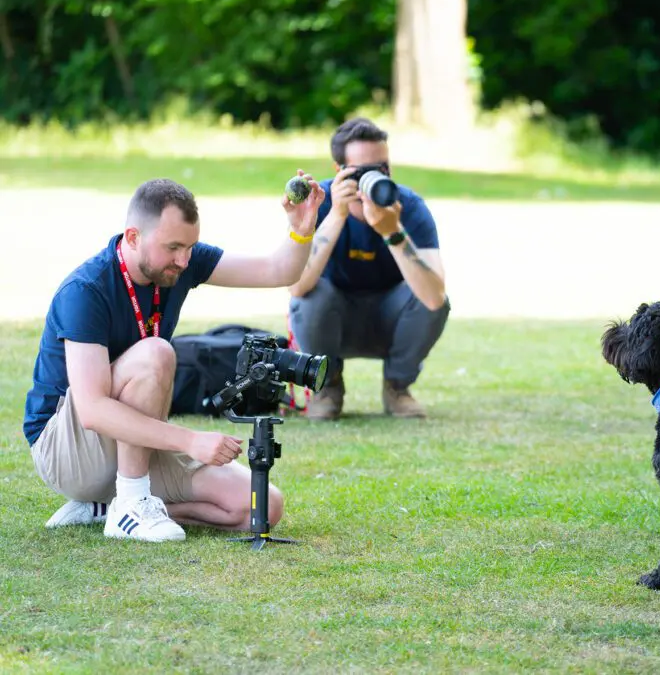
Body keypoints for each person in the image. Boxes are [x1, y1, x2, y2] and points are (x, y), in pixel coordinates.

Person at [24, 174, 325, 542]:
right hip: (69, 449)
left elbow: (277, 271)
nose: (184, 260)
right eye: (173, 248)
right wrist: (189, 440)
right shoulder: (86, 290)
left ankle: (106, 508)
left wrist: (301, 229)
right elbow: (92, 409)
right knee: (156, 353)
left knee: (261, 506)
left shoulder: (180, 262)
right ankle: (131, 502)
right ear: (133, 237)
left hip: (134, 441)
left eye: (190, 247)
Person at [288, 117, 450, 420]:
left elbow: (434, 298)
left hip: (391, 320)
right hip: (331, 318)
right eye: (365, 172)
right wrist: (337, 214)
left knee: (429, 290)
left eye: (383, 168)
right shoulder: (318, 202)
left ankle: (397, 388)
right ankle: (328, 386)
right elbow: (296, 287)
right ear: (340, 171)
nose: (376, 179)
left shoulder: (408, 206)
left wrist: (393, 231)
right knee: (311, 294)